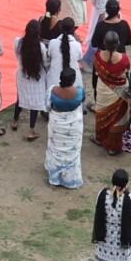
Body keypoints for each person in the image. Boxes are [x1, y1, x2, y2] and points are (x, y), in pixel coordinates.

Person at [44, 56, 86, 189]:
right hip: (74, 127)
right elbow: (81, 102)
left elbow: (47, 107)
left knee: (55, 149)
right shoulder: (79, 92)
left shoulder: (52, 91)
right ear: (73, 80)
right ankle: (70, 179)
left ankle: (55, 177)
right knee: (72, 152)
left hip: (56, 125)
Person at [89, 31, 131, 154]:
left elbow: (96, 69)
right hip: (119, 92)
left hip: (103, 89)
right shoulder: (124, 59)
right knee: (118, 118)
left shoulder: (97, 55)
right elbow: (126, 71)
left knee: (102, 114)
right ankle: (114, 147)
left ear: (104, 43)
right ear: (118, 43)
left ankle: (100, 138)